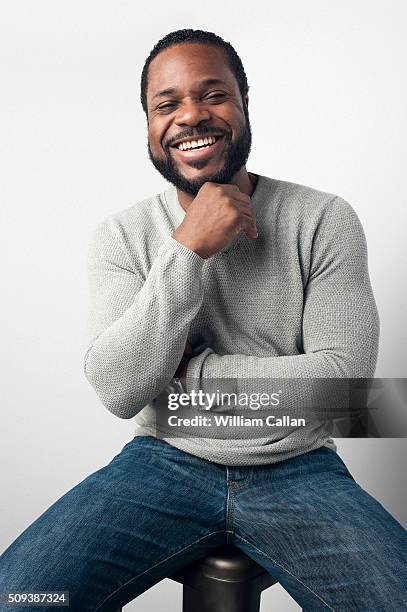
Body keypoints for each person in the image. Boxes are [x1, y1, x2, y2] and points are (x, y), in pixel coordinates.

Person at [1, 28, 406, 612]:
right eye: (167, 105)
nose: (191, 116)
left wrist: (180, 383)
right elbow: (120, 389)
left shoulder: (323, 217)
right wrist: (188, 249)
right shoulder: (122, 235)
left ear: (244, 106)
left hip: (300, 470)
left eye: (213, 95)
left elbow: (344, 392)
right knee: (20, 597)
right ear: (149, 126)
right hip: (161, 464)